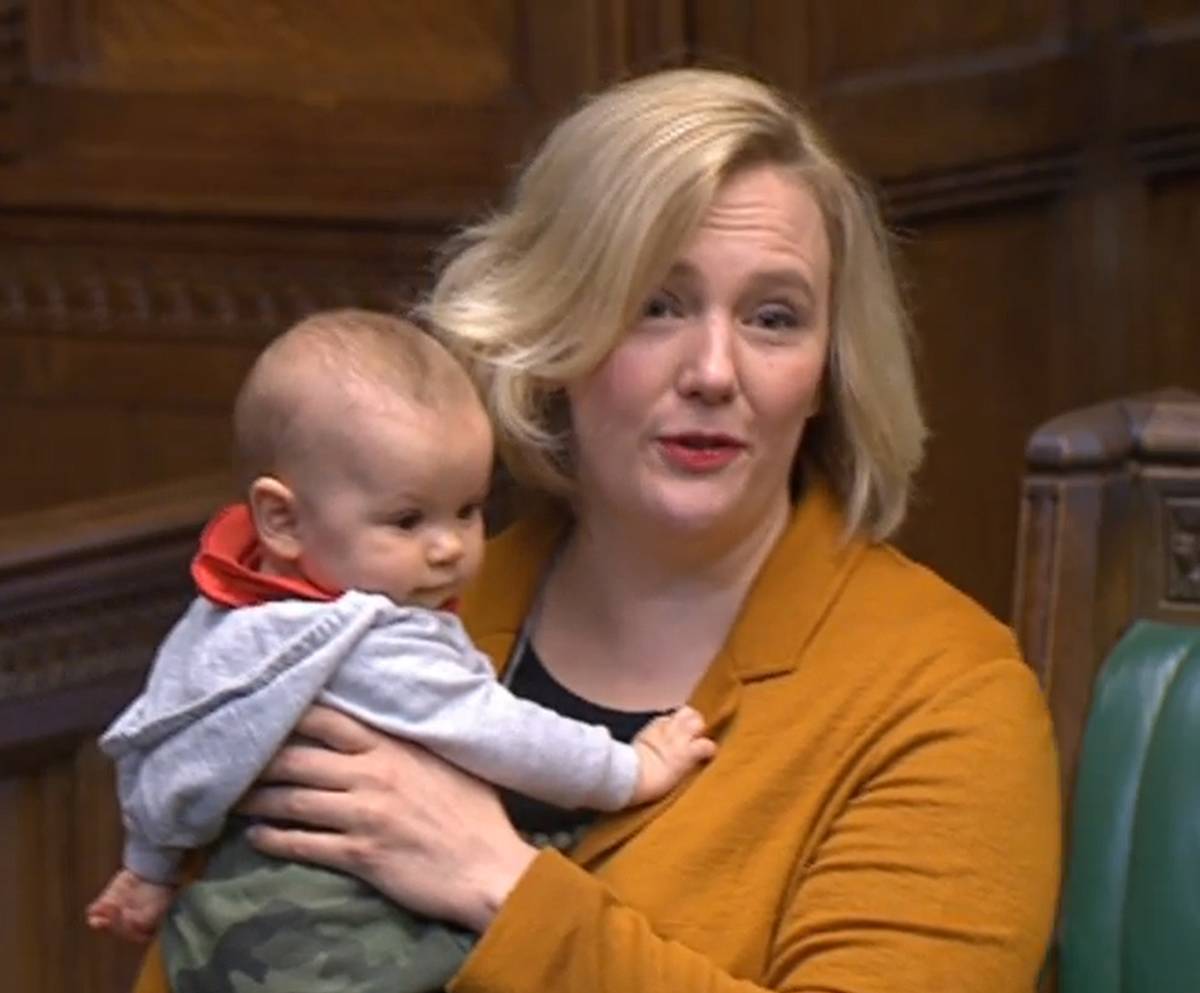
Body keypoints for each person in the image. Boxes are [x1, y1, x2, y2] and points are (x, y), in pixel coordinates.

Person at [132, 68, 1061, 992]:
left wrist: (499, 882)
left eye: (773, 318)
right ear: (552, 330)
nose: (711, 370)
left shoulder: (945, 694)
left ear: (823, 374)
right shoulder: (387, 603)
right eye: (656, 304)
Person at [87, 309, 715, 992]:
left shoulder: (226, 617)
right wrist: (629, 768)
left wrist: (147, 867)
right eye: (408, 519)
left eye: (469, 508)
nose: (448, 547)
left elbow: (170, 746)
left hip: (218, 939)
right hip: (340, 946)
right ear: (284, 519)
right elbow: (500, 733)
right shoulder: (372, 642)